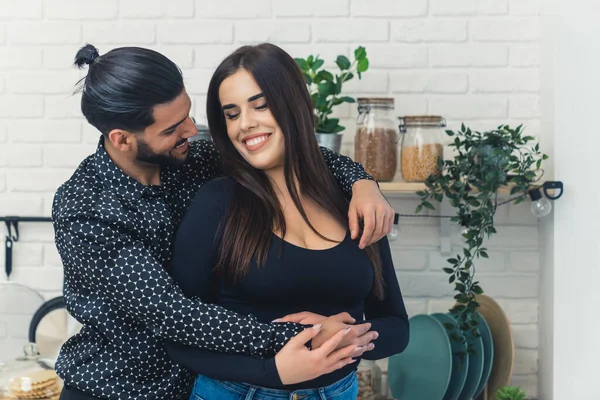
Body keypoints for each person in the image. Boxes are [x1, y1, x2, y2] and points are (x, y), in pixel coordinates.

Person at [52, 43, 396, 400]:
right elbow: (175, 315)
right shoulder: (84, 208)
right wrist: (305, 337)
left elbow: (293, 151)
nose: (190, 130)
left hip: (199, 386)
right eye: (172, 128)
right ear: (122, 140)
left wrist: (361, 182)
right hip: (116, 389)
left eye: (188, 114)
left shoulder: (188, 161)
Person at [165, 43, 410, 400]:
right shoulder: (217, 203)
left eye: (260, 105)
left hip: (338, 392)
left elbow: (396, 326)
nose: (245, 124)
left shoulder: (354, 203)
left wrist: (350, 337)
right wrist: (272, 371)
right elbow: (178, 336)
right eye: (231, 114)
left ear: (292, 104)